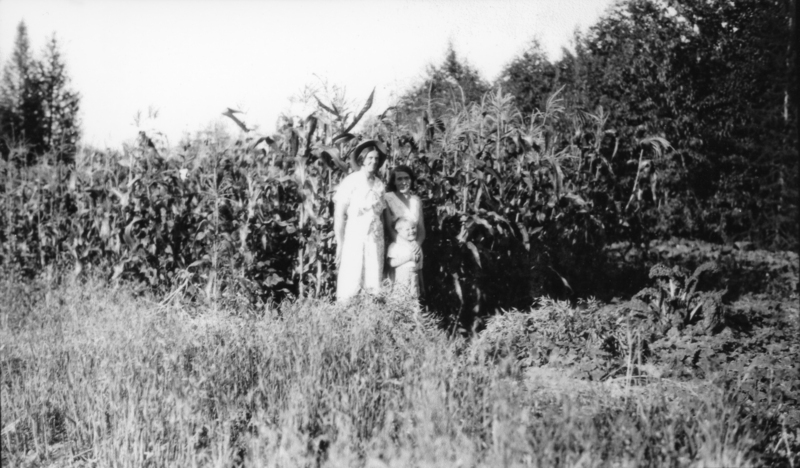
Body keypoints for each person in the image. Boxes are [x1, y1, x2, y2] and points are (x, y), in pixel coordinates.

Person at [333, 140, 388, 303]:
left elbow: (382, 215)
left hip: (375, 236)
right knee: (353, 273)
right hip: (355, 234)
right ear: (362, 159)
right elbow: (339, 214)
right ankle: (347, 314)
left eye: (376, 159)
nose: (373, 162)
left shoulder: (379, 185)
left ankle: (369, 315)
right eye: (370, 158)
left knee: (373, 274)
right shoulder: (352, 181)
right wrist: (340, 242)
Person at [384, 165, 426, 293]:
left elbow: (421, 229)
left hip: (415, 248)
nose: (403, 182)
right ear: (394, 182)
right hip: (398, 248)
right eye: (399, 179)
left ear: (412, 180)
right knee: (398, 286)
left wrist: (417, 244)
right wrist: (408, 247)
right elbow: (389, 228)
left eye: (407, 178)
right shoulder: (388, 198)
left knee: (415, 286)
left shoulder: (415, 200)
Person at [387, 217, 423, 300]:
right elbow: (391, 263)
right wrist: (409, 257)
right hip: (401, 279)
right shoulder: (395, 246)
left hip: (414, 279)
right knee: (401, 300)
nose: (412, 231)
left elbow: (419, 268)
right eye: (407, 229)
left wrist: (422, 286)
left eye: (413, 227)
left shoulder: (416, 247)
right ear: (398, 232)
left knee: (414, 301)